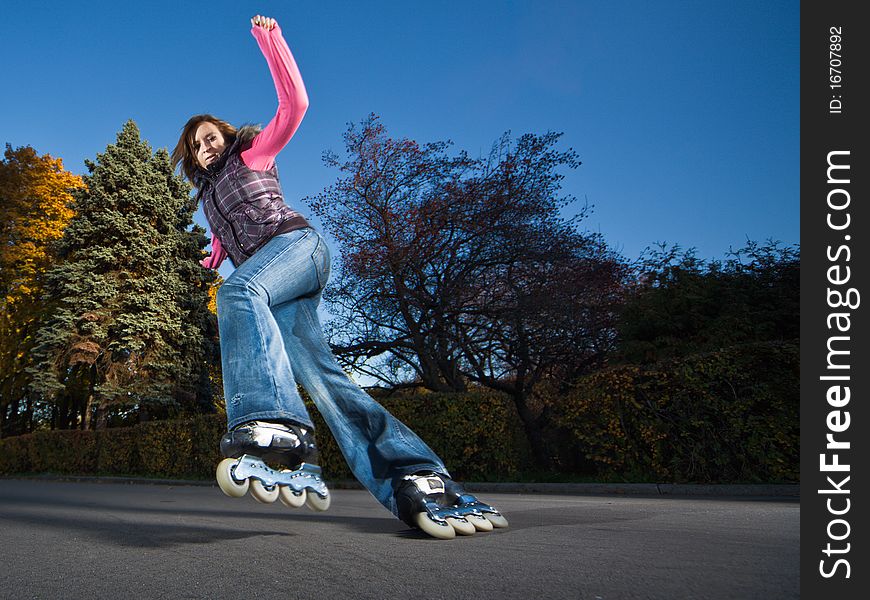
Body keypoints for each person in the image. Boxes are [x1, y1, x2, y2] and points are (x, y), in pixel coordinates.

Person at [170, 15, 507, 539]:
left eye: (210, 138)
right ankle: (416, 476)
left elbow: (295, 106)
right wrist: (207, 261)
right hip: (275, 281)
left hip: (299, 248)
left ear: (226, 135)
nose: (205, 149)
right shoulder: (210, 199)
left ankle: (272, 421)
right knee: (325, 381)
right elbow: (221, 246)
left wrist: (270, 40)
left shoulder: (253, 154)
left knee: (238, 292)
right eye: (196, 147)